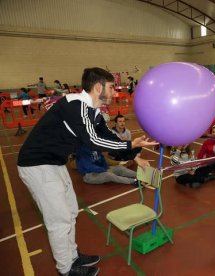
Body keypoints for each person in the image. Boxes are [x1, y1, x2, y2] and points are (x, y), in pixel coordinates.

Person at [17, 67, 157, 276]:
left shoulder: (94, 112)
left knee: (71, 211)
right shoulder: (77, 105)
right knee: (59, 220)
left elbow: (108, 136)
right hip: (36, 165)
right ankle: (65, 270)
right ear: (98, 87)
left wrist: (134, 154)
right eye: (111, 87)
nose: (114, 92)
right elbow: (93, 140)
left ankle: (72, 257)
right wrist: (128, 147)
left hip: (54, 163)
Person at [75, 144, 140, 186]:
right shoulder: (82, 151)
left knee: (119, 168)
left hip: (101, 169)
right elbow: (89, 167)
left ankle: (139, 175)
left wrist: (106, 168)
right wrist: (105, 170)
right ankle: (133, 181)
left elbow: (102, 159)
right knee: (109, 175)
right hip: (89, 175)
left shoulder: (96, 147)